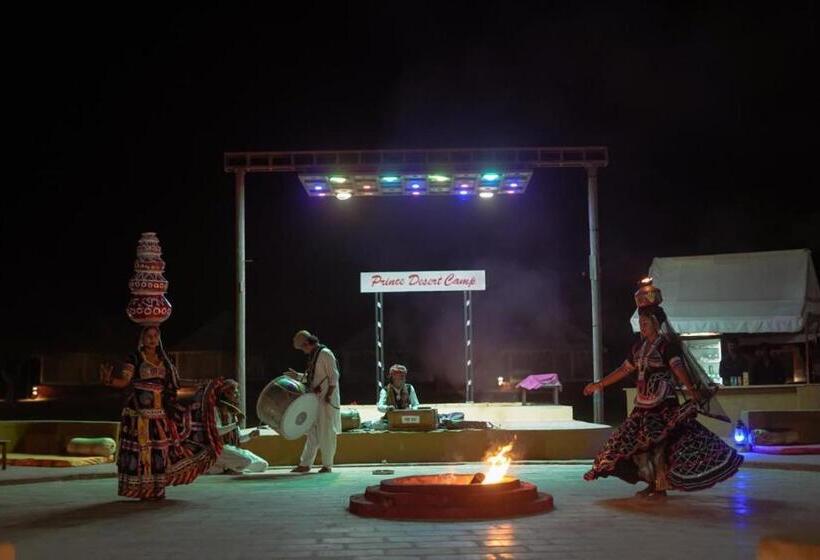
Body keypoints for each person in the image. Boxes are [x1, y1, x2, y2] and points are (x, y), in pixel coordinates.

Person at [583, 280, 743, 498]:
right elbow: (623, 370)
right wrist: (599, 385)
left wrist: (691, 390)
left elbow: (678, 369)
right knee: (638, 445)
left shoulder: (667, 346)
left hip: (663, 404)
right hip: (643, 404)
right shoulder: (638, 347)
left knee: (660, 445)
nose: (642, 324)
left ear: (656, 322)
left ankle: (660, 486)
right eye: (640, 321)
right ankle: (652, 483)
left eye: (646, 321)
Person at [101, 326, 226, 500]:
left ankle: (157, 489)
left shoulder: (166, 359)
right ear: (142, 339)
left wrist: (204, 385)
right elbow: (124, 382)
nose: (152, 339)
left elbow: (176, 383)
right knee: (142, 452)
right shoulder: (135, 358)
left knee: (160, 451)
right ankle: (142, 490)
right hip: (138, 414)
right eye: (148, 336)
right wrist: (109, 380)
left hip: (159, 413)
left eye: (155, 336)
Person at [287, 330, 341, 474]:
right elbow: (313, 378)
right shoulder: (314, 355)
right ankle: (305, 464)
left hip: (326, 400)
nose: (303, 351)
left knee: (326, 432)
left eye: (302, 348)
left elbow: (334, 377)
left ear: (306, 344)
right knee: (312, 431)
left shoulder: (325, 353)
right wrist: (297, 376)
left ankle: (327, 465)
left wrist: (328, 395)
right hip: (316, 399)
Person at [208, 380, 268, 474]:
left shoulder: (233, 413)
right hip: (219, 449)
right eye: (235, 393)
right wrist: (236, 424)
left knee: (263, 465)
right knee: (246, 461)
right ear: (226, 394)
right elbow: (216, 431)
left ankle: (222, 468)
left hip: (231, 449)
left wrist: (250, 436)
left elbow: (239, 438)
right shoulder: (215, 410)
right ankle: (222, 466)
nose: (238, 395)